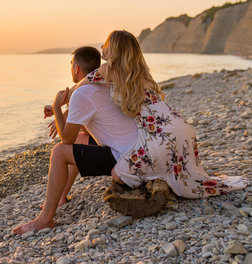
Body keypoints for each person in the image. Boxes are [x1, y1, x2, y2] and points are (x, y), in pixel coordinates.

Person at [76, 30, 249, 197]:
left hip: (160, 138)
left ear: (113, 50)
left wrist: (59, 104)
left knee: (117, 174)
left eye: (105, 44)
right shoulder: (139, 72)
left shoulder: (107, 70)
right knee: (183, 175)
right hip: (180, 129)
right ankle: (164, 177)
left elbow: (79, 87)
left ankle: (160, 180)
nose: (101, 47)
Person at [13, 46, 139, 235]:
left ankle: (45, 219)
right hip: (136, 149)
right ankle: (61, 196)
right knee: (79, 141)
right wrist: (64, 113)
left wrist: (57, 106)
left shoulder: (82, 93)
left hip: (124, 158)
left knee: (60, 152)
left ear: (76, 69)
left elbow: (66, 138)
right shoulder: (104, 84)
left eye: (72, 64)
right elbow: (84, 127)